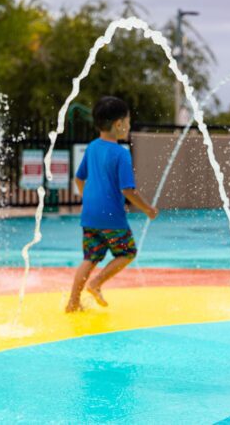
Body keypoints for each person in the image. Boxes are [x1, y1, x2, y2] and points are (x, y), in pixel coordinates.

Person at [66, 96, 158, 313]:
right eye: (128, 121)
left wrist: (87, 198)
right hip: (112, 218)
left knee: (89, 258)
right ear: (119, 124)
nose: (128, 125)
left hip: (89, 216)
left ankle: (73, 302)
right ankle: (96, 283)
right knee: (127, 253)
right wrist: (148, 209)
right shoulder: (121, 154)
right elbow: (128, 190)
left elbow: (79, 179)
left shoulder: (92, 148)